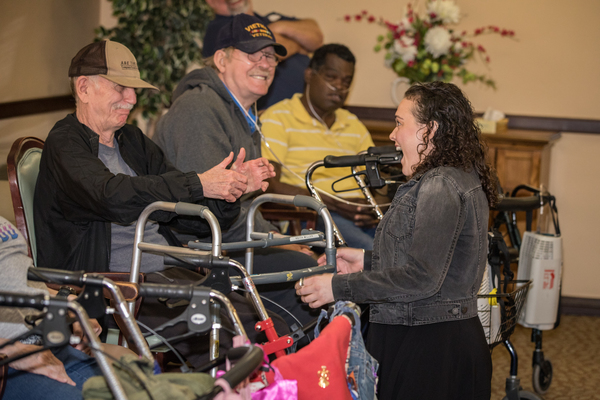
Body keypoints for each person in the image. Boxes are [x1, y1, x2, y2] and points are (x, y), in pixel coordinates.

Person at [32, 39, 276, 367]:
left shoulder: (131, 140)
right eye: (121, 88)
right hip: (113, 287)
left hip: (168, 275)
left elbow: (186, 218)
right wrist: (199, 183)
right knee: (238, 344)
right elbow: (112, 196)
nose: (131, 99)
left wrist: (231, 190)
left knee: (270, 328)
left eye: (133, 90)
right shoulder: (65, 144)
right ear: (85, 88)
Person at [295, 82, 498, 399]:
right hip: (436, 338)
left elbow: (422, 279)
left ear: (429, 131)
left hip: (429, 348)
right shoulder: (454, 176)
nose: (392, 135)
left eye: (400, 123)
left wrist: (336, 287)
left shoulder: (440, 185)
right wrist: (365, 260)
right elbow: (437, 263)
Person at [154, 13, 320, 327]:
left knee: (324, 268)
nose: (266, 63)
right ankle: (287, 372)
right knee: (312, 280)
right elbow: (205, 214)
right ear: (221, 59)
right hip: (200, 253)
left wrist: (276, 237)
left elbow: (245, 204)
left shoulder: (241, 113)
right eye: (252, 54)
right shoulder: (198, 111)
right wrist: (275, 241)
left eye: (270, 56)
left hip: (234, 242)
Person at [260, 44, 379, 250]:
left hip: (357, 217)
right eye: (331, 77)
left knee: (406, 247)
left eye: (346, 81)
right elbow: (269, 185)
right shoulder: (278, 118)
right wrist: (332, 204)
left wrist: (371, 209)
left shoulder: (354, 125)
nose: (339, 87)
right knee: (372, 253)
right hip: (311, 217)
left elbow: (377, 180)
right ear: (309, 75)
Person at [0, 216, 134, 399]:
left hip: (46, 345)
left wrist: (69, 303)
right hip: (10, 363)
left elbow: (20, 283)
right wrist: (12, 350)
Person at [203, 0, 323, 109]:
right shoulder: (220, 28)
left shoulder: (271, 19)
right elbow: (271, 50)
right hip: (274, 114)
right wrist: (298, 45)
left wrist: (277, 26)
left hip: (313, 108)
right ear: (211, 2)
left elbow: (316, 37)